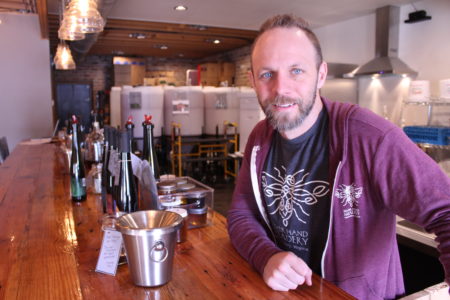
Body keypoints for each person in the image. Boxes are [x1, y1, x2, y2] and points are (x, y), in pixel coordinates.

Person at [227, 14, 450, 300]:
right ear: (252, 80)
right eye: (267, 74)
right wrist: (265, 255)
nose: (281, 89)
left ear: (321, 74)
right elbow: (240, 214)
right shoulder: (260, 137)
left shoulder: (370, 137)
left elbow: (445, 212)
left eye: (296, 71)